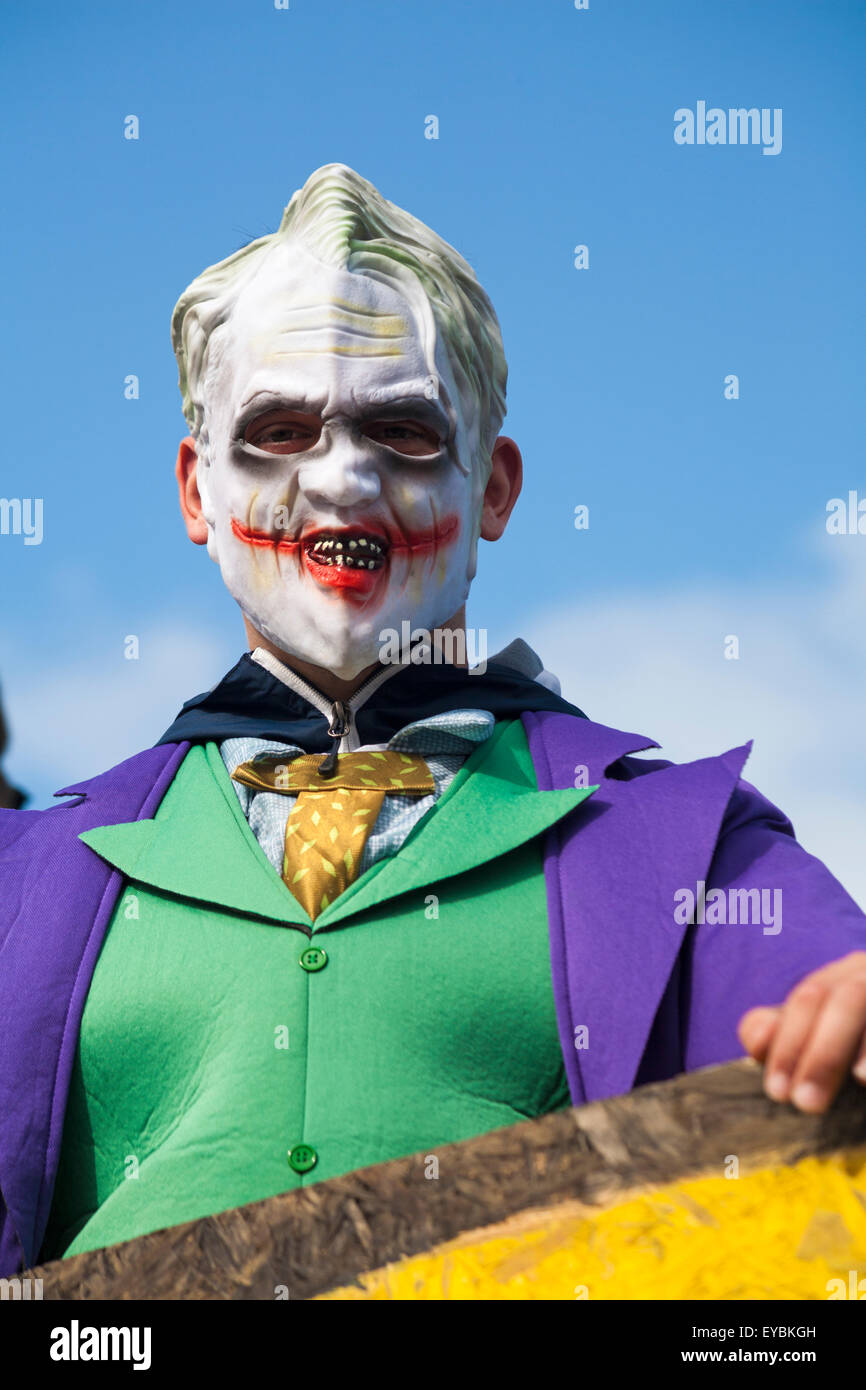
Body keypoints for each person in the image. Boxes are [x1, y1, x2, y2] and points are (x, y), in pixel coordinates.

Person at [2, 163, 865, 1280]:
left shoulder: (684, 844)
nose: (341, 478)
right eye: (278, 429)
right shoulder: (25, 878)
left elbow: (816, 999)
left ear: (493, 488)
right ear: (194, 490)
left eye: (402, 431)